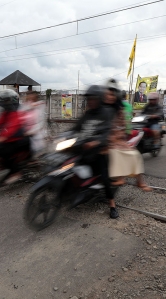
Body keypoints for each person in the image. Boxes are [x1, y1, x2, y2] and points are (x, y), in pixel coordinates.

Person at [70, 85, 116, 218]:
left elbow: (106, 132)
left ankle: (112, 205)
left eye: (93, 99)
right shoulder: (87, 114)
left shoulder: (106, 113)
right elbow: (76, 127)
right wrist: (64, 135)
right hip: (84, 149)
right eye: (89, 99)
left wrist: (95, 142)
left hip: (99, 152)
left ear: (100, 99)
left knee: (105, 178)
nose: (90, 101)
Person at [105, 80, 152, 192]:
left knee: (135, 153)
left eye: (112, 95)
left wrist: (118, 136)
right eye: (108, 94)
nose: (110, 97)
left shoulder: (119, 109)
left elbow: (123, 124)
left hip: (116, 139)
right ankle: (120, 178)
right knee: (116, 152)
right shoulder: (102, 109)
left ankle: (139, 181)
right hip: (105, 139)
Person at [20, 91, 47, 155]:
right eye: (28, 97)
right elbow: (19, 116)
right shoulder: (24, 107)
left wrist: (31, 132)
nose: (30, 99)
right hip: (25, 136)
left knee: (35, 155)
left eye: (32, 97)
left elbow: (41, 123)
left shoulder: (39, 107)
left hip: (36, 136)